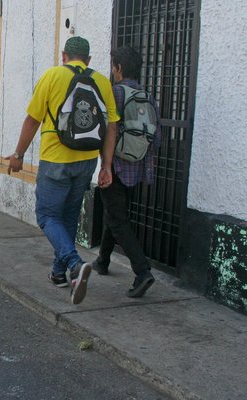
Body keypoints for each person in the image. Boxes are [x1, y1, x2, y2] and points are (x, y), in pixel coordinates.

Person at [7, 37, 120, 305]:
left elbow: (32, 120)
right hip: (87, 161)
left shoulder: (52, 76)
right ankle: (59, 274)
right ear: (88, 60)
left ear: (64, 56)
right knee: (68, 217)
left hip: (56, 159)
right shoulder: (103, 82)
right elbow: (111, 126)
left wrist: (18, 155)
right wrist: (106, 166)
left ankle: (73, 263)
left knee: (46, 215)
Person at [91, 46, 162, 298]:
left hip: (115, 167)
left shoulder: (115, 93)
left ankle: (142, 272)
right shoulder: (147, 96)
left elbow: (105, 131)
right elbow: (156, 137)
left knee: (118, 219)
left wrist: (104, 165)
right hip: (137, 168)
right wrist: (144, 165)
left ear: (118, 68)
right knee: (115, 214)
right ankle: (102, 261)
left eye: (113, 65)